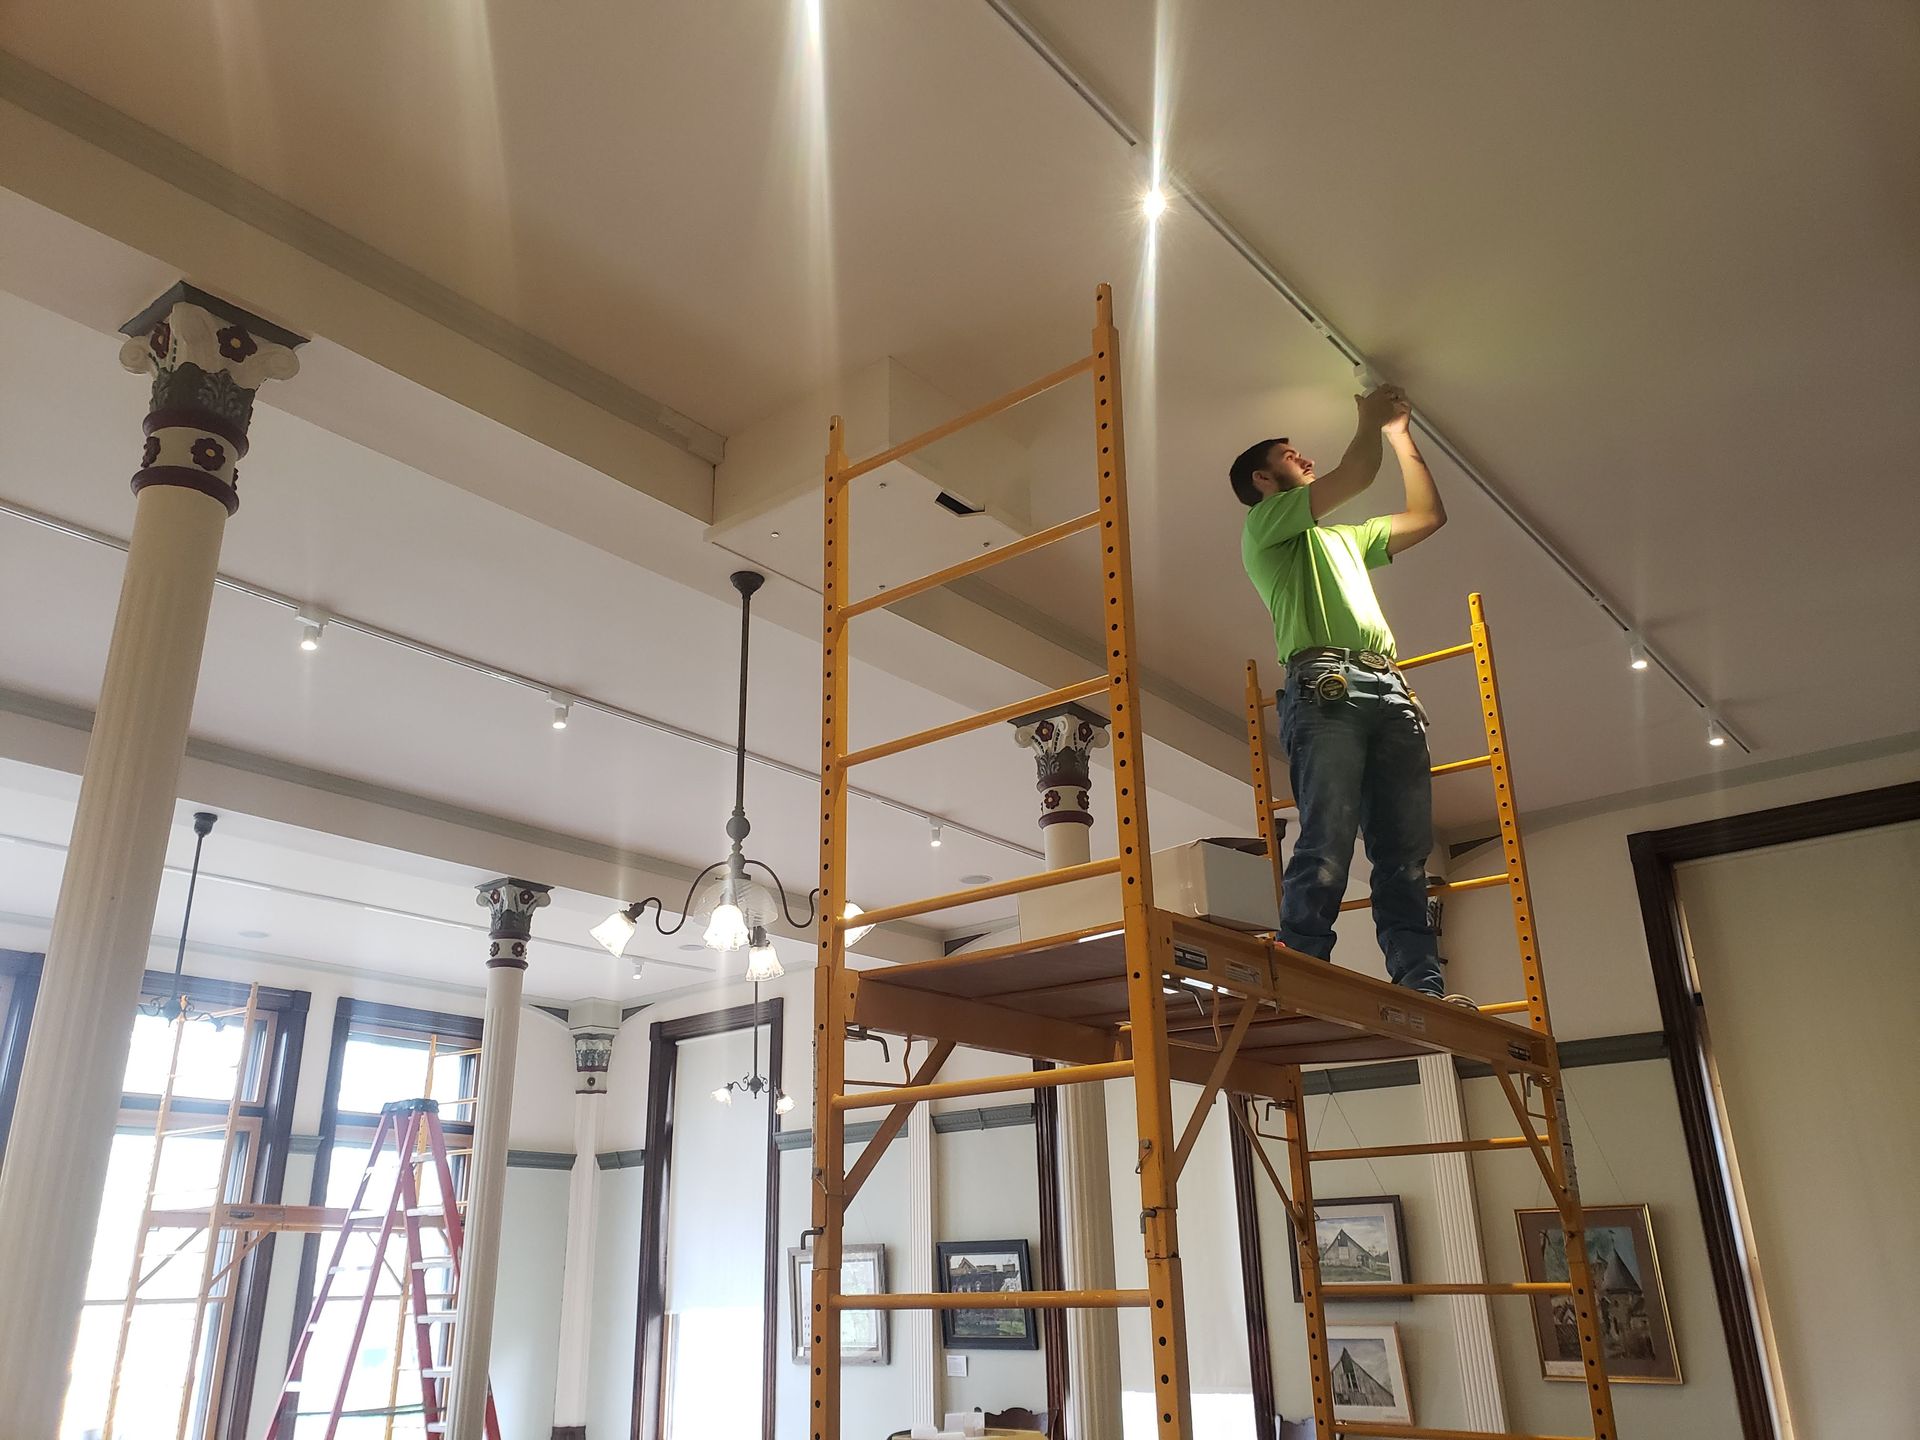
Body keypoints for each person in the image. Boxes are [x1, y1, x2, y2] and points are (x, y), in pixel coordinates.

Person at [1231, 384, 1462, 999]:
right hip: (1324, 683)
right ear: (1262, 477)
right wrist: (1372, 421)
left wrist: (1400, 436)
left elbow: (1429, 516)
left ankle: (1421, 981)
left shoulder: (1345, 541)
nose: (1302, 458)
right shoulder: (1265, 526)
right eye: (1289, 453)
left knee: (1405, 851)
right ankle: (1302, 967)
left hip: (1387, 686)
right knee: (1328, 836)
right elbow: (1356, 471)